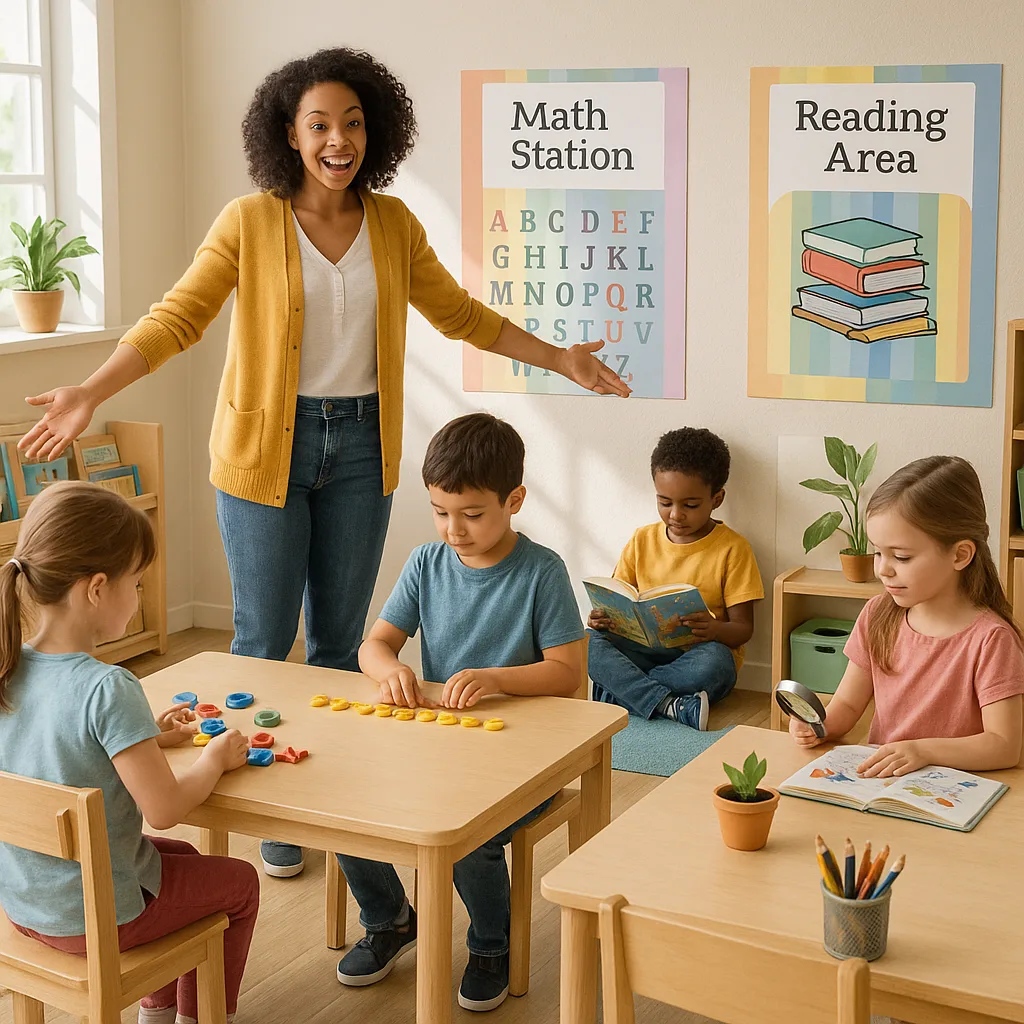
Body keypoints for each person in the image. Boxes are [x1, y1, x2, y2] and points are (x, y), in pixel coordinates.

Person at [18, 48, 628, 880]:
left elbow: (461, 316)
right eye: (319, 125)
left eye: (352, 122)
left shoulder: (395, 225)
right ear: (290, 135)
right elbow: (177, 318)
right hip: (264, 450)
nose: (338, 139)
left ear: (371, 131)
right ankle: (267, 809)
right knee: (265, 639)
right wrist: (91, 390)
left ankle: (335, 806)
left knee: (341, 642)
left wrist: (560, 359)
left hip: (362, 448)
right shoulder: (248, 222)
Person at [339, 412, 584, 1011]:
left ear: (514, 500)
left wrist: (494, 679)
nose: (455, 529)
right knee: (343, 803)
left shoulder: (541, 571)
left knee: (468, 836)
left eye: (472, 514)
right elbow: (374, 646)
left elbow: (570, 676)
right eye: (441, 511)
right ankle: (391, 919)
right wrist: (393, 669)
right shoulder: (426, 564)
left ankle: (490, 946)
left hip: (521, 760)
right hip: (439, 748)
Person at [0, 483, 257, 1024]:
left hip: (25, 906)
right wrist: (214, 760)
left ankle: (158, 1013)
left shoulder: (9, 667)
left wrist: (147, 737)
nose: (140, 595)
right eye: (136, 584)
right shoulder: (106, 687)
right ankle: (197, 1018)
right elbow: (164, 810)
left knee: (182, 861)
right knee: (238, 883)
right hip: (95, 917)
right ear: (97, 588)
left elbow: (59, 748)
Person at [790, 456, 1024, 776]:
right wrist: (818, 726)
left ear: (960, 554)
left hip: (959, 791)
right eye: (878, 552)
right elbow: (846, 705)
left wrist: (922, 750)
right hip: (883, 785)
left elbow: (1004, 745)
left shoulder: (991, 639)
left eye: (901, 556)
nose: (883, 569)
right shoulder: (878, 614)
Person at [587, 427, 764, 728]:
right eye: (665, 502)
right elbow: (620, 597)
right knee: (587, 642)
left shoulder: (733, 549)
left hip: (696, 655)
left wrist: (714, 629)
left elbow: (743, 630)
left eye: (690, 505)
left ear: (717, 498)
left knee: (717, 665)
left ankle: (622, 693)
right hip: (641, 651)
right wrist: (603, 618)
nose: (675, 515)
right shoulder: (641, 539)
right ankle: (669, 704)